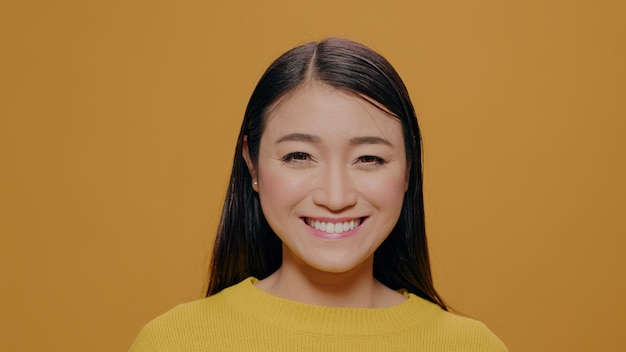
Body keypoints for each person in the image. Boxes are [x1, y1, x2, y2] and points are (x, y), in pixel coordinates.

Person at [129, 37, 508, 351]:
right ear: (253, 165)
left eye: (369, 158)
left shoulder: (473, 346)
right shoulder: (173, 342)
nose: (335, 195)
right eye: (299, 156)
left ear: (409, 170)